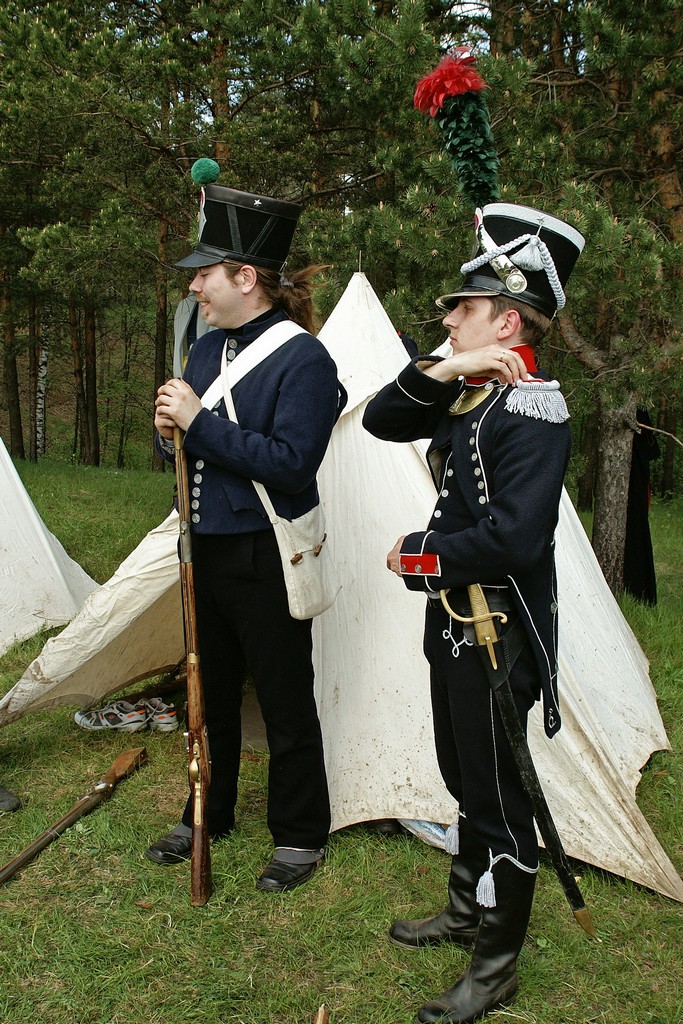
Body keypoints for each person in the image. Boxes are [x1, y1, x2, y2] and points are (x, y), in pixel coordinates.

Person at [363, 202, 585, 1023]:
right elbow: (383, 419)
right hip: (456, 624)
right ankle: (465, 911)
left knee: (498, 800)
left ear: (508, 319)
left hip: (499, 631)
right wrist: (454, 364)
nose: (448, 321)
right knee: (464, 778)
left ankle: (494, 969)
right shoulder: (472, 390)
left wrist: (420, 554)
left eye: (462, 309)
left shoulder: (533, 408)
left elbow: (515, 538)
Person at [149, 177, 346, 892]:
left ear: (245, 277)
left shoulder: (305, 360)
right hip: (204, 547)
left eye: (205, 273)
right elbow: (194, 450)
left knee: (285, 699)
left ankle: (299, 834)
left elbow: (291, 465)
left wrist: (198, 423)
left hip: (266, 551)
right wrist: (171, 436)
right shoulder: (205, 352)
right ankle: (209, 809)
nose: (194, 286)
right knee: (209, 691)